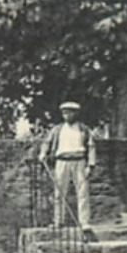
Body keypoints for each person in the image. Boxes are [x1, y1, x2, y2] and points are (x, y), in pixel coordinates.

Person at [39, 100, 95, 233]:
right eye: (64, 113)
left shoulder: (83, 129)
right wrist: (43, 153)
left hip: (79, 161)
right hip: (61, 162)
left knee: (82, 193)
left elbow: (91, 147)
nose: (67, 116)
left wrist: (90, 165)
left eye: (70, 113)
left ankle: (84, 222)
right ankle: (58, 221)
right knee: (59, 193)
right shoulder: (57, 129)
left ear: (76, 114)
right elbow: (47, 142)